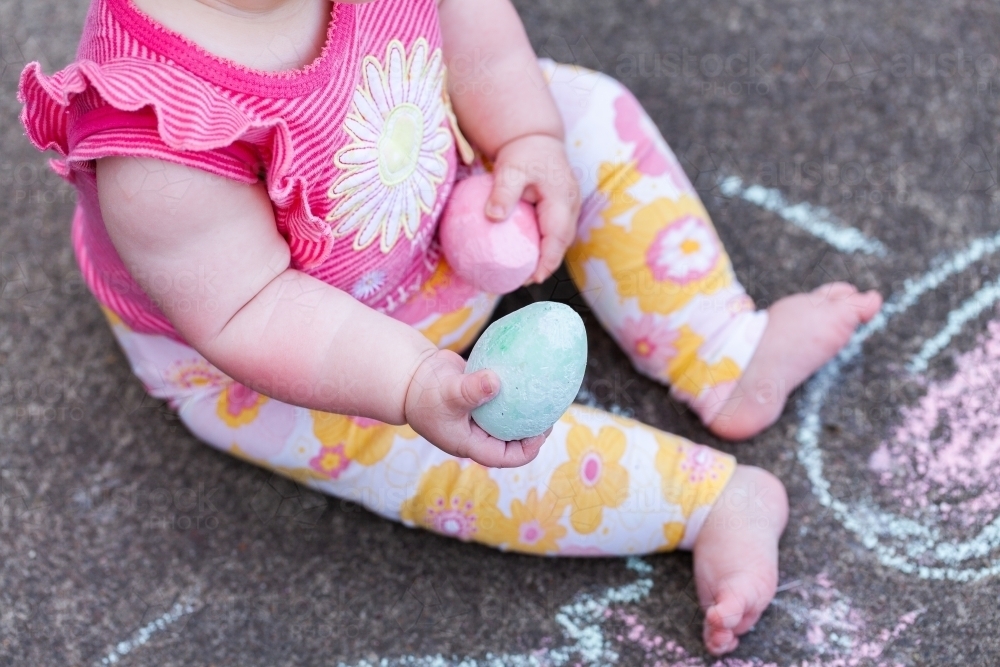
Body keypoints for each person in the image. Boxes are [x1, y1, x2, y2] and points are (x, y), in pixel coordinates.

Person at [19, 0, 882, 655]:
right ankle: (704, 502)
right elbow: (249, 308)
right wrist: (404, 382)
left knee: (585, 112)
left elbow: (476, 40)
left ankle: (723, 348)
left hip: (441, 206)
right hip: (284, 342)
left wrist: (528, 137)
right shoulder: (153, 126)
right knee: (416, 448)